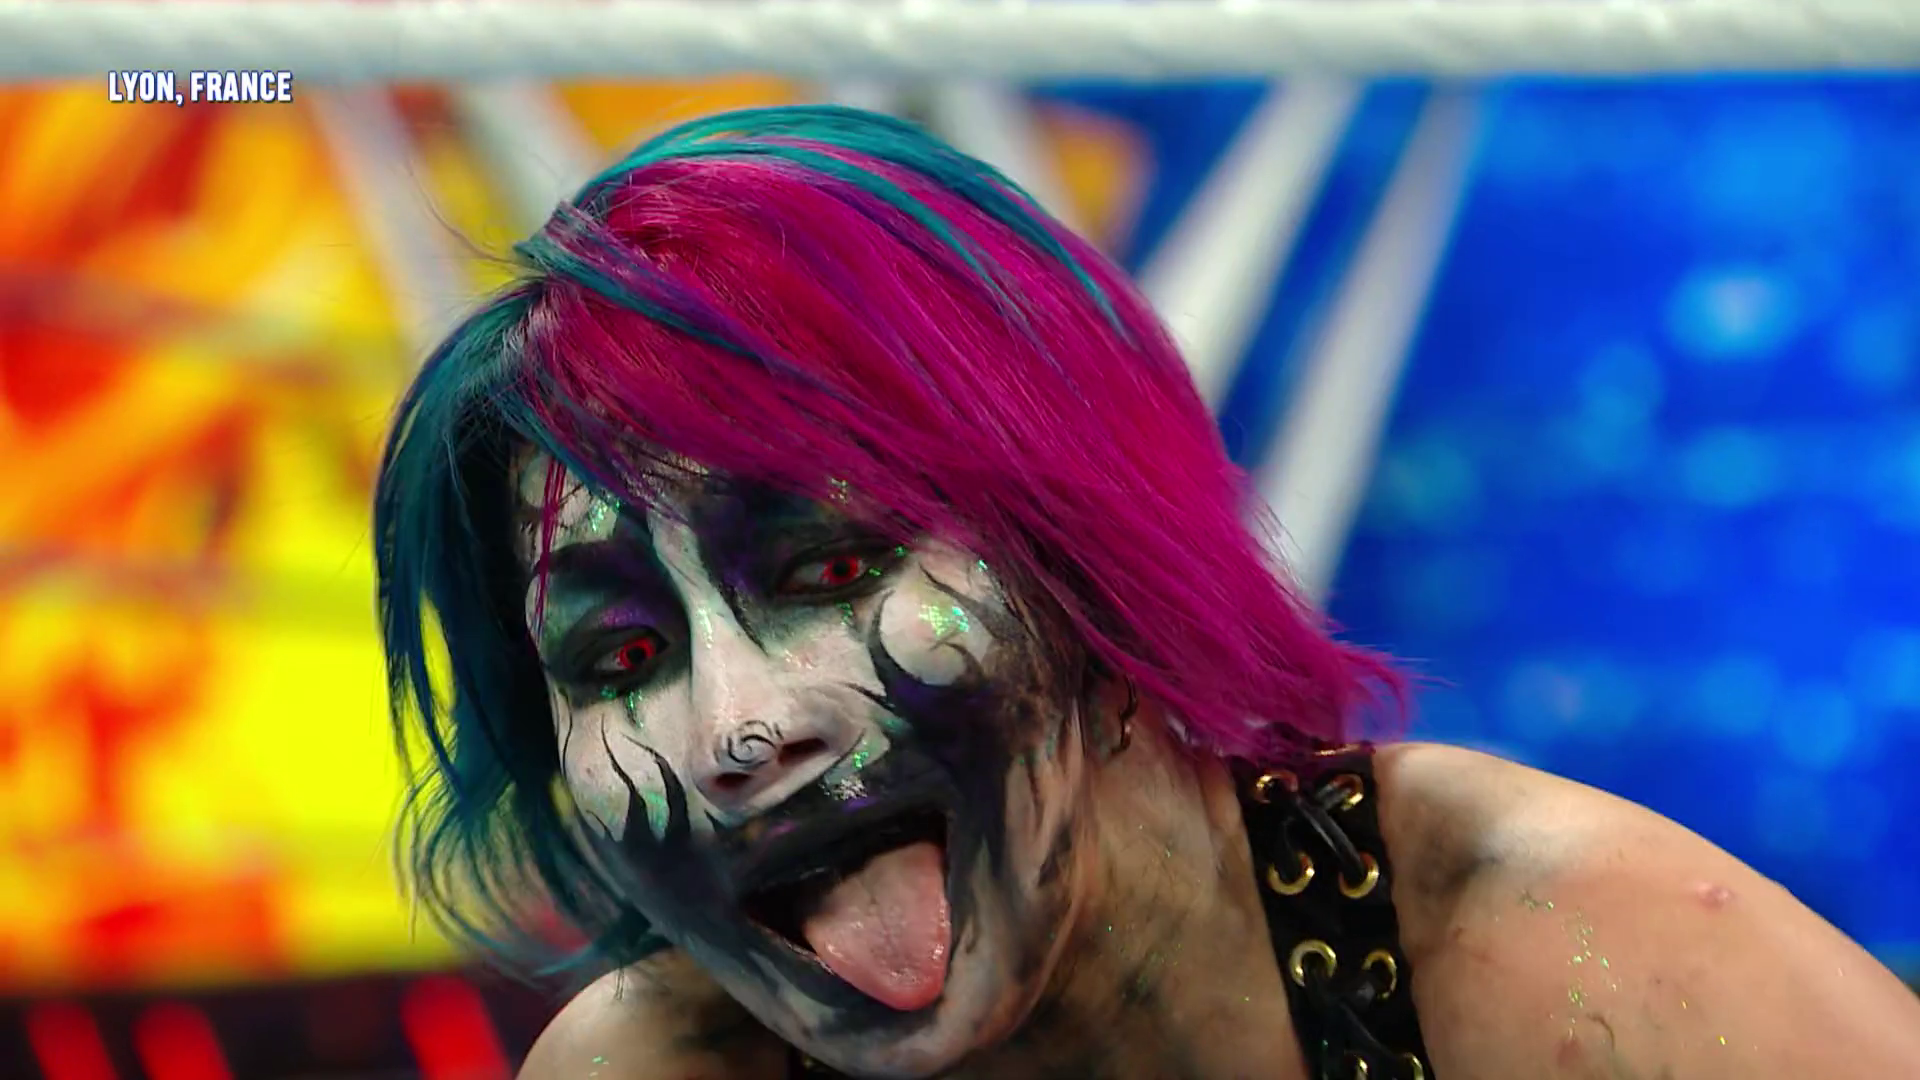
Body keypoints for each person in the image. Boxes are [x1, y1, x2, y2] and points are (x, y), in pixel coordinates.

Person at [372, 106, 1920, 1079]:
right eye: (619, 654)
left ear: (1086, 561)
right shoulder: (658, 1065)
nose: (734, 727)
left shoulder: (1547, 953)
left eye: (830, 568)